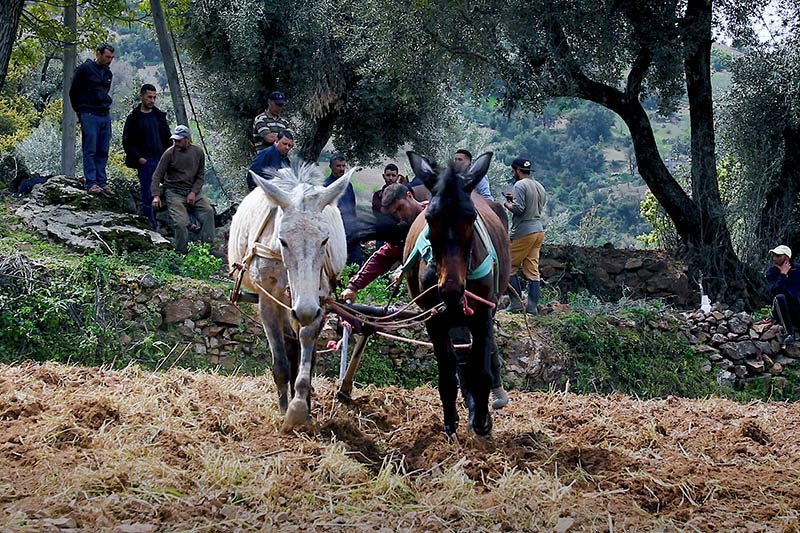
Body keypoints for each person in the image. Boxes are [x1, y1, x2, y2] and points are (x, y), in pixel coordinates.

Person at [341, 183, 510, 408]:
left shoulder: (441, 217)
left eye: (400, 208)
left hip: (467, 286)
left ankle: (493, 387)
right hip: (440, 298)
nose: (400, 216)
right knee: (460, 341)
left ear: (410, 196)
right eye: (394, 214)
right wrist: (354, 285)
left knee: (481, 332)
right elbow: (384, 255)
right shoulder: (409, 229)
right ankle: (473, 401)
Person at [151, 125, 215, 253]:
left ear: (187, 139)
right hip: (174, 191)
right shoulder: (169, 153)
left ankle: (207, 249)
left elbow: (200, 176)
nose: (176, 143)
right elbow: (157, 175)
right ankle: (182, 252)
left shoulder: (198, 152)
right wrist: (156, 195)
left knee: (208, 212)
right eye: (175, 140)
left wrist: (193, 192)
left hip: (193, 190)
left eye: (179, 140)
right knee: (180, 223)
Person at [122, 84, 172, 230]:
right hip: (145, 162)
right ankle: (151, 225)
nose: (152, 100)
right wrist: (138, 158)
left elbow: (167, 137)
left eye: (154, 97)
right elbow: (127, 141)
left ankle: (168, 225)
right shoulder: (134, 118)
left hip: (161, 160)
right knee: (147, 194)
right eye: (149, 97)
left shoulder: (159, 116)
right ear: (142, 96)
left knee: (168, 191)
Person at [69, 42, 115, 194]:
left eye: (111, 57)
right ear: (98, 54)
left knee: (103, 149)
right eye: (107, 56)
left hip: (104, 113)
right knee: (90, 149)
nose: (109, 60)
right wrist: (80, 111)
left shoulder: (108, 73)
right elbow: (73, 92)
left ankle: (102, 181)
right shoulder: (84, 69)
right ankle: (91, 182)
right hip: (89, 112)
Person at [503, 157, 547, 314]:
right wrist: (513, 201)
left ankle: (515, 304)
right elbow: (534, 206)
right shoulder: (539, 186)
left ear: (518, 170)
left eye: (513, 171)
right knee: (532, 269)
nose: (513, 174)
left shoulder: (520, 184)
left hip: (524, 231)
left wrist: (508, 205)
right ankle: (532, 307)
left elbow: (520, 209)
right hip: (538, 230)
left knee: (508, 267)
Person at [324, 154, 363, 265]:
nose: (341, 169)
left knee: (356, 264)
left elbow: (352, 209)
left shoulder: (348, 186)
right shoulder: (326, 187)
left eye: (343, 166)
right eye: (338, 166)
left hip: (351, 233)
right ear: (331, 167)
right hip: (336, 234)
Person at [765, 244, 800, 346]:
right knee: (780, 297)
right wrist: (783, 275)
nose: (775, 258)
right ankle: (789, 332)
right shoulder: (771, 272)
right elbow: (775, 291)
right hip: (781, 308)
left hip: (796, 307)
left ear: (787, 257)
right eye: (774, 255)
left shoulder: (797, 270)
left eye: (778, 255)